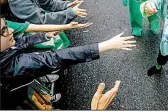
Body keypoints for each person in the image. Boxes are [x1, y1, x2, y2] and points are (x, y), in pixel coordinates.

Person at [0, 17, 136, 109]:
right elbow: (56, 58)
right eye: (3, 31)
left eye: (6, 26)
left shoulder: (4, 52)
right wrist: (105, 45)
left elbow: (19, 43)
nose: (11, 30)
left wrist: (45, 35)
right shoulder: (8, 67)